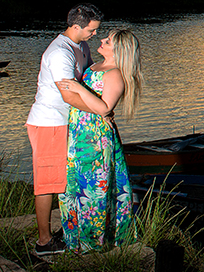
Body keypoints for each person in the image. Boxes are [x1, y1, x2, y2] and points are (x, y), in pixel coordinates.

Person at [25, 3, 102, 255]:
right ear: (76, 26)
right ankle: (44, 243)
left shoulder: (81, 45)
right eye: (92, 30)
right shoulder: (60, 53)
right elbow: (68, 95)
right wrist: (101, 111)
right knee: (47, 184)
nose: (95, 35)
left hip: (66, 122)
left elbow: (89, 75)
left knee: (65, 180)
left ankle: (70, 230)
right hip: (49, 123)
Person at [58, 28, 142, 252]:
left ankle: (92, 245)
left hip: (95, 138)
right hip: (79, 132)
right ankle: (73, 240)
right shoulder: (95, 65)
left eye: (108, 41)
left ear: (120, 51)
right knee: (73, 186)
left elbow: (104, 108)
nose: (102, 40)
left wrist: (77, 88)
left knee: (93, 190)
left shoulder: (114, 74)